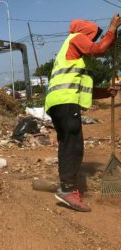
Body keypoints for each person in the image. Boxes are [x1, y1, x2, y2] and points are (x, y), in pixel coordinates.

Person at [45, 14, 121, 212]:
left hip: (59, 102)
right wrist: (113, 29)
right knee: (74, 145)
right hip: (65, 101)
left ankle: (66, 185)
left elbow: (82, 88)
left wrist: (106, 92)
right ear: (87, 31)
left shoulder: (74, 56)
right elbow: (98, 49)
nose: (93, 40)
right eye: (93, 36)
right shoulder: (76, 37)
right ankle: (67, 189)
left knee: (67, 143)